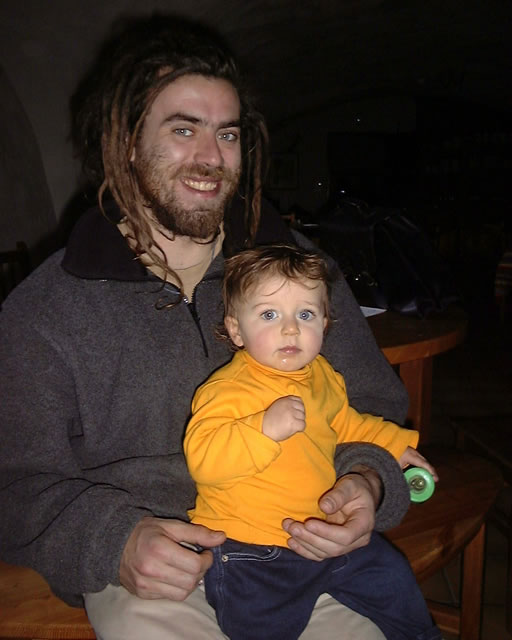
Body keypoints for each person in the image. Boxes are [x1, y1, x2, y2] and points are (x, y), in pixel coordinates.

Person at [0, 14, 414, 640]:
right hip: (159, 570)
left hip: (307, 542)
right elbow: (14, 483)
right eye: (183, 129)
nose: (211, 157)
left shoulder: (303, 272)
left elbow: (373, 404)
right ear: (127, 143)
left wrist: (367, 480)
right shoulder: (47, 309)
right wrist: (113, 540)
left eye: (227, 134)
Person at [184, 244, 440, 640]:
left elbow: (346, 424)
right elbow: (204, 460)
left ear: (324, 323)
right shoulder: (228, 390)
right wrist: (262, 429)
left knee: (392, 577)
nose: (290, 329)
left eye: (305, 314)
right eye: (269, 315)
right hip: (251, 550)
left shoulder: (321, 375)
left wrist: (394, 444)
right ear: (236, 330)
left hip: (325, 533)